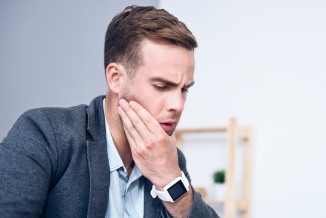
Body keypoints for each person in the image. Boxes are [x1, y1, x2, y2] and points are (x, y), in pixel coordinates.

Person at [0, 5, 219, 218]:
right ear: (115, 78)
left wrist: (170, 180)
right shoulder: (45, 135)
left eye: (184, 89)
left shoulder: (170, 159)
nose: (178, 105)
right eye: (162, 86)